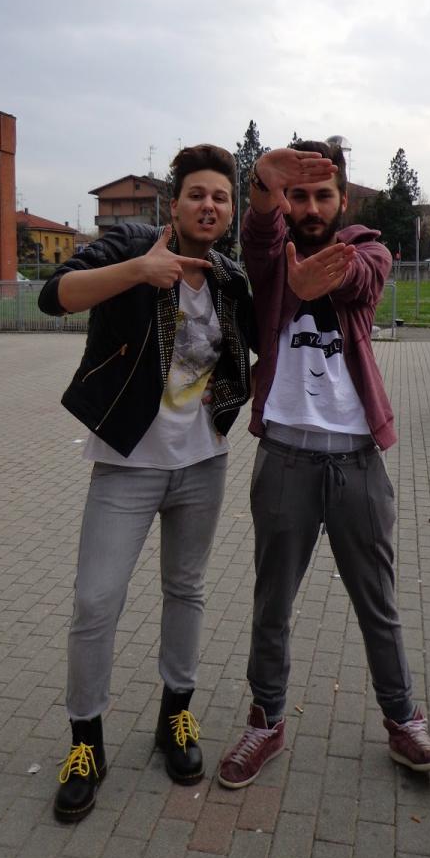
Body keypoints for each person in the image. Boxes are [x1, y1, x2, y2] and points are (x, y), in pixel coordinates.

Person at [217, 141, 430, 788]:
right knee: (272, 604)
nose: (312, 207)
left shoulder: (370, 250)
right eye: (299, 196)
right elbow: (259, 235)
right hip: (284, 459)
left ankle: (403, 720)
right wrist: (261, 186)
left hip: (357, 462)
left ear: (343, 200)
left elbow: (361, 278)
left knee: (378, 604)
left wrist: (321, 278)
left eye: (324, 196)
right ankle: (266, 722)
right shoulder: (271, 261)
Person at [38, 144, 254, 823]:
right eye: (197, 194)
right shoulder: (132, 244)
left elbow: (252, 347)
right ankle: (86, 742)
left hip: (202, 463)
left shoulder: (229, 278)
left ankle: (175, 716)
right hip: (126, 465)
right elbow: (54, 296)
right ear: (175, 202)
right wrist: (141, 271)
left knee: (186, 590)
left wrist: (231, 398)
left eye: (221, 197)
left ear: (231, 211)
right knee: (96, 601)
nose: (208, 205)